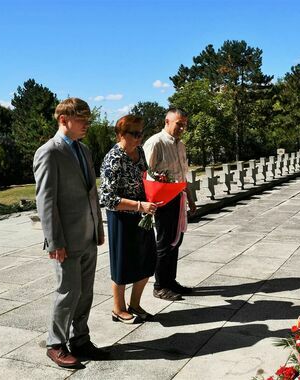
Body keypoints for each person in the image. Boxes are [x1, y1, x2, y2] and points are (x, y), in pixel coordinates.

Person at [33, 97, 106, 367]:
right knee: (68, 292)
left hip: (87, 234)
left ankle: (80, 339)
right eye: (82, 120)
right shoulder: (49, 152)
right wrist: (54, 242)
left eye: (88, 119)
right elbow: (46, 201)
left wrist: (98, 226)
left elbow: (91, 191)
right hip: (66, 239)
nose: (87, 124)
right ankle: (55, 343)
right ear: (64, 120)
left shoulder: (83, 150)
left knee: (85, 292)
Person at [99, 115, 158, 323]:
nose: (139, 137)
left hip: (142, 215)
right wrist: (139, 205)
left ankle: (135, 304)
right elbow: (107, 198)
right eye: (135, 134)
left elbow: (143, 177)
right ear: (121, 134)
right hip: (122, 218)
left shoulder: (139, 152)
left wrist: (156, 183)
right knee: (122, 264)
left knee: (147, 260)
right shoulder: (113, 158)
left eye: (141, 133)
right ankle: (118, 308)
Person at [143, 108, 196, 301]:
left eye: (184, 125)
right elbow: (147, 173)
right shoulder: (155, 142)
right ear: (167, 121)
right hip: (162, 200)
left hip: (178, 197)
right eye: (179, 124)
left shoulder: (180, 145)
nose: (182, 128)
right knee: (165, 243)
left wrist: (190, 198)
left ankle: (171, 281)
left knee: (176, 240)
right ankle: (160, 285)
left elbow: (183, 174)